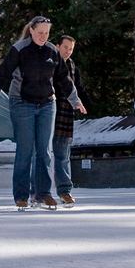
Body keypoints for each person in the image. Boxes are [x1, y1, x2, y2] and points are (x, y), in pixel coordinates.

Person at [0, 16, 84, 210]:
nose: (43, 36)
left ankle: (43, 194)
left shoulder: (52, 51)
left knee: (45, 151)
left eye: (46, 33)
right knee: (25, 151)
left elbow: (64, 78)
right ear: (31, 30)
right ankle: (21, 196)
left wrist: (75, 101)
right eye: (40, 32)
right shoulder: (20, 49)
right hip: (22, 103)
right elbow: (2, 73)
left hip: (47, 104)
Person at [52, 35, 89, 207]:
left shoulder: (73, 67)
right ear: (57, 46)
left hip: (65, 117)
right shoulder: (48, 63)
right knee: (40, 155)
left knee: (63, 155)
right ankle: (37, 192)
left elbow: (78, 88)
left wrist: (86, 103)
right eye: (65, 47)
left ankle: (65, 191)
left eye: (71, 48)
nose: (68, 51)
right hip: (46, 111)